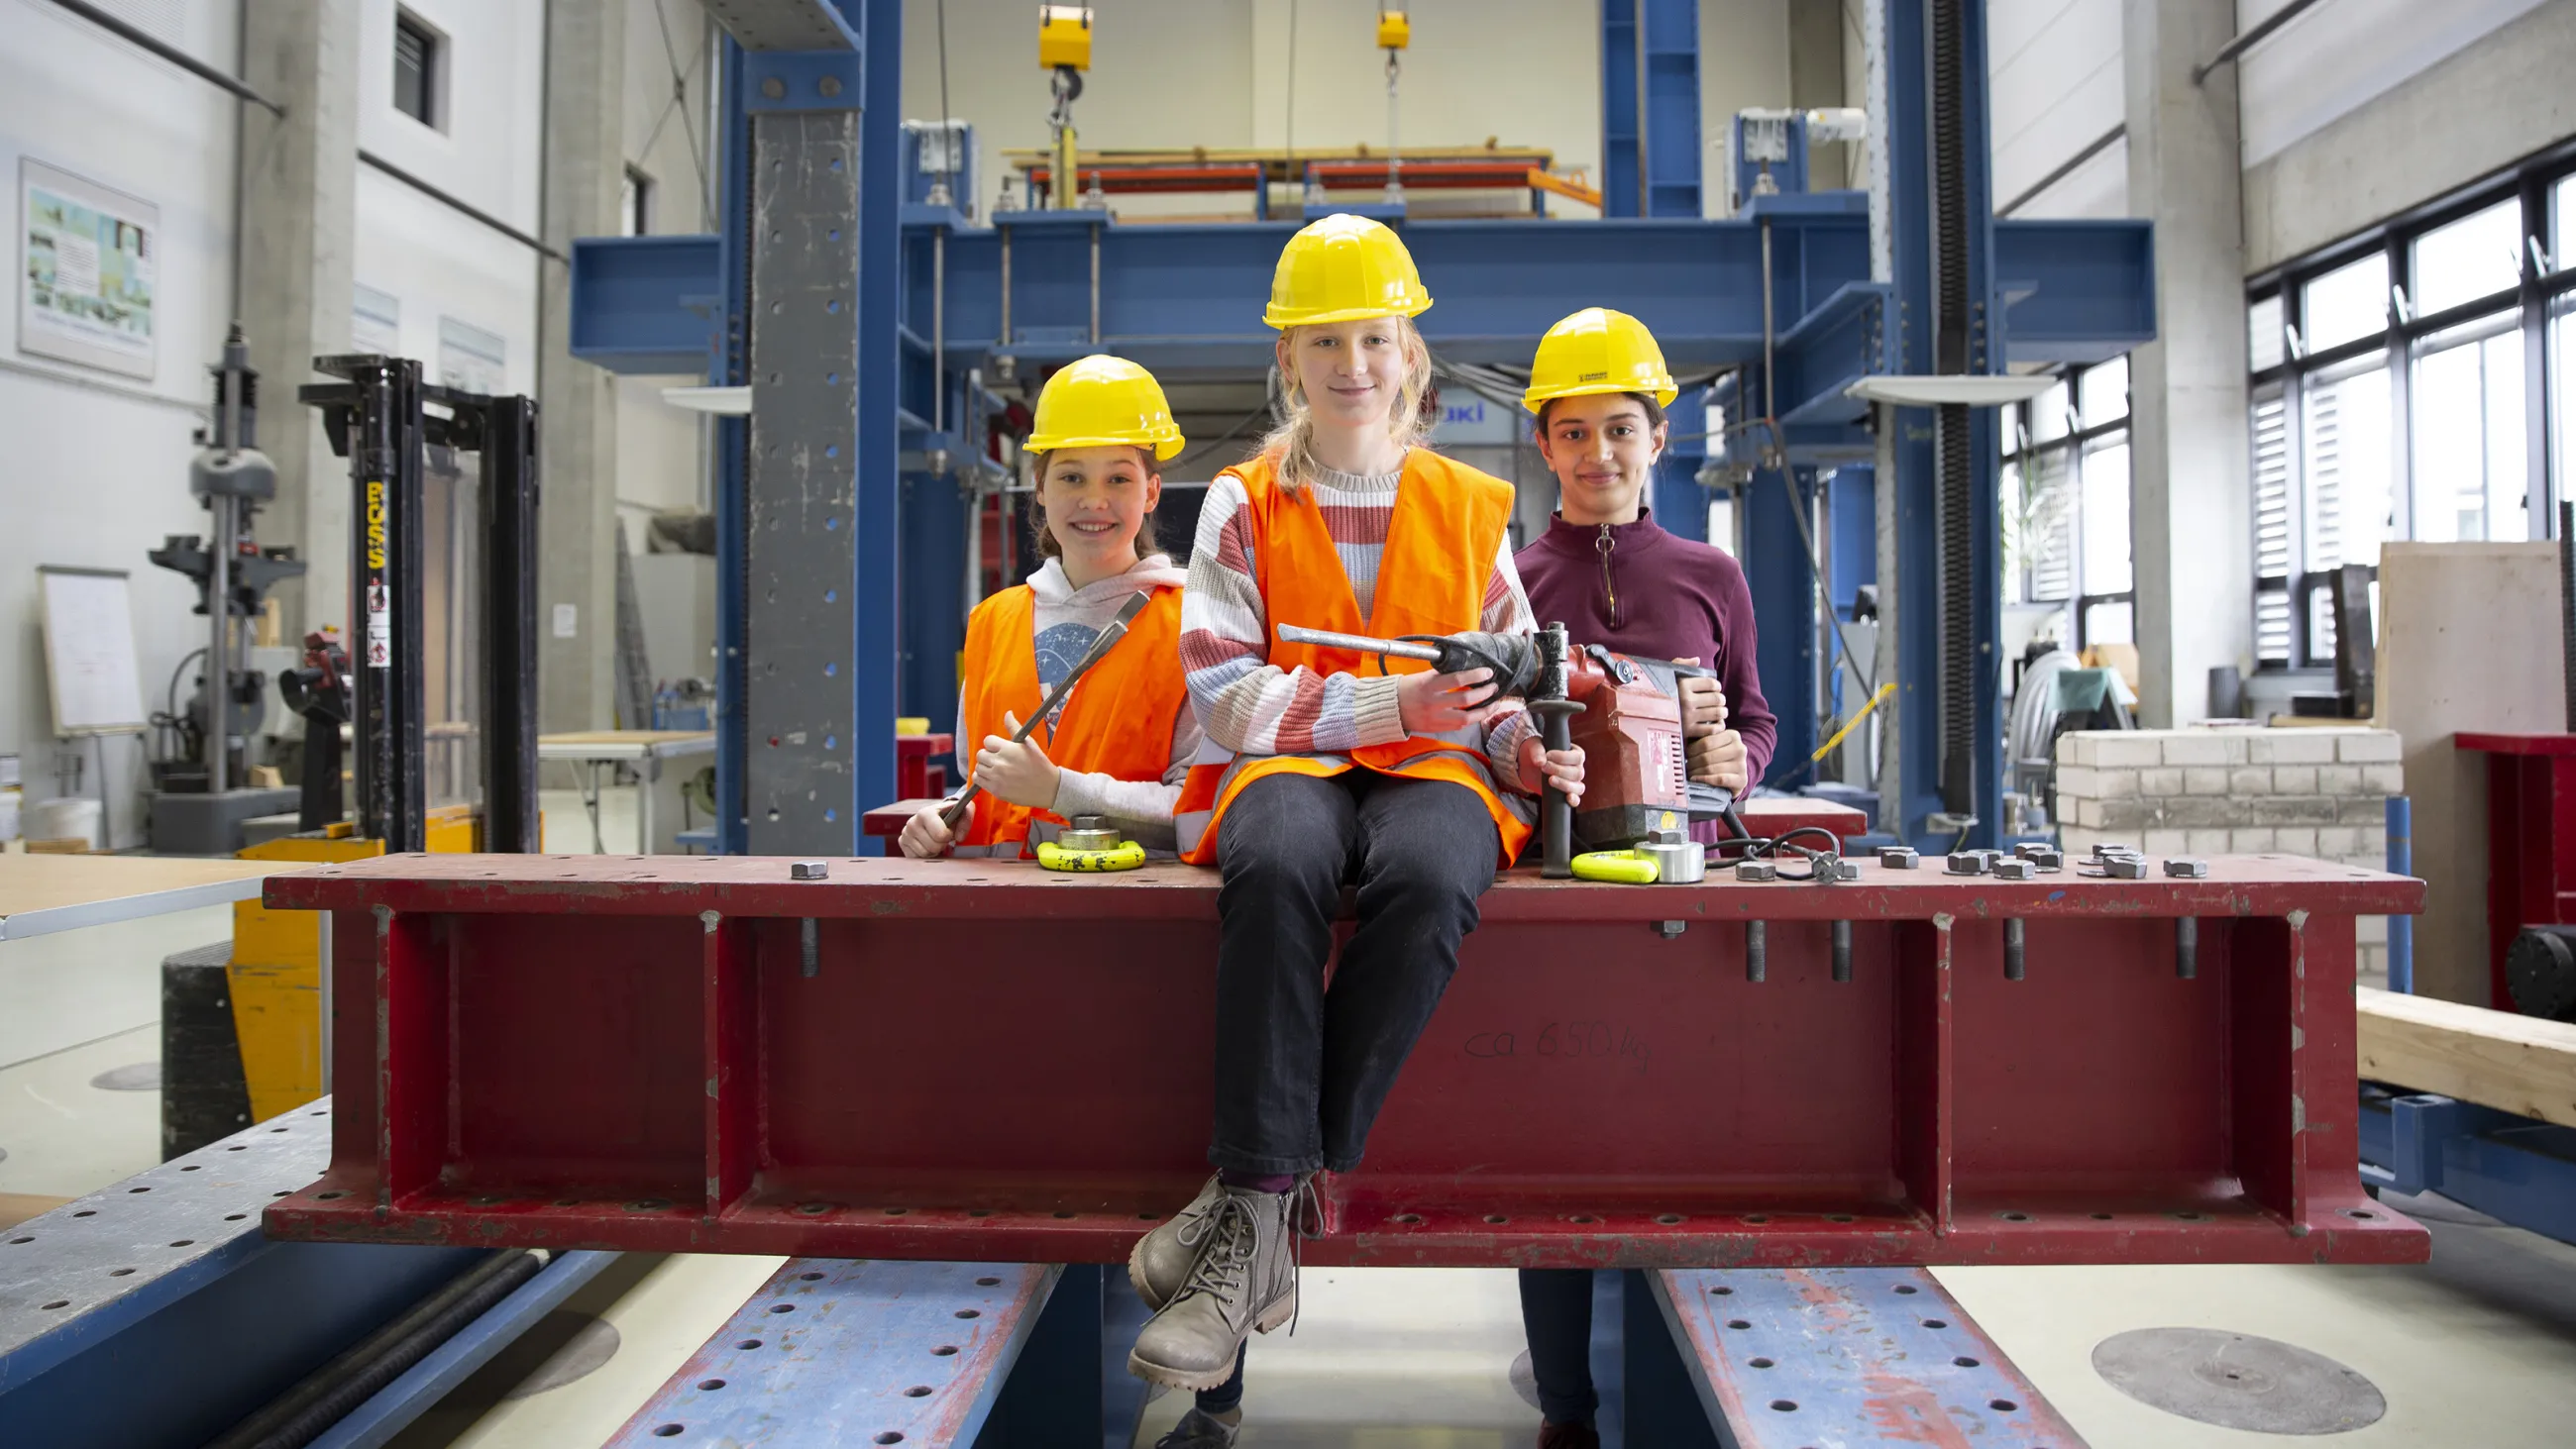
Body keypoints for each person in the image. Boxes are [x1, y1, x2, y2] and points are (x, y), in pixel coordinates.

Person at [1124, 214, 1586, 1445]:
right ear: (1288, 360)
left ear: (1408, 354)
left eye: (1371, 337)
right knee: (1274, 855)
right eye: (1322, 339)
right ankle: (1267, 1207)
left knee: (1437, 873)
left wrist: (1523, 744)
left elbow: (1498, 689)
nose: (1350, 363)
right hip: (1290, 755)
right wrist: (1392, 703)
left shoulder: (1469, 503)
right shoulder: (1238, 501)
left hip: (1433, 766)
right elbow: (1221, 687)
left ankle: (1250, 1200)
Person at [1508, 307, 1776, 1448]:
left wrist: (1734, 761)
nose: (1597, 454)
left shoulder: (1711, 574)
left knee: (1685, 1145)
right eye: (1573, 432)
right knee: (1550, 1153)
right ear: (1544, 447)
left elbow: (1755, 720)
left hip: (1683, 894)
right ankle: (1565, 1409)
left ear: (1656, 437)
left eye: (1618, 429)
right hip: (1554, 908)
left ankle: (1683, 1387)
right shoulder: (1510, 582)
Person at [899, 355, 1200, 863]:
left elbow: (1199, 807)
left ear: (1151, 492)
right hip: (999, 913)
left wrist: (1061, 789)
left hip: (1135, 910)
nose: (1095, 500)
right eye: (1071, 478)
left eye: (1119, 480)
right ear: (1040, 488)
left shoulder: (1193, 622)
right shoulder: (993, 622)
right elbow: (981, 782)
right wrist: (949, 814)